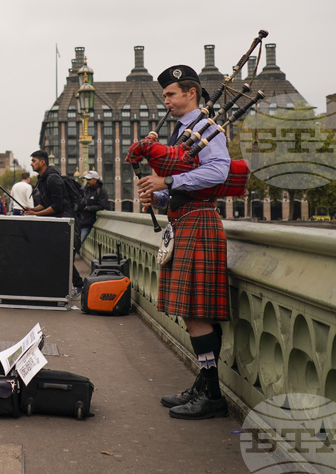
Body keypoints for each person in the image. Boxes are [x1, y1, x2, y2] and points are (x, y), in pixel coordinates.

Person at [137, 65, 230, 421]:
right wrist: (158, 196)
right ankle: (204, 384)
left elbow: (218, 170)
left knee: (196, 314)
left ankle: (212, 394)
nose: (166, 101)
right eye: (165, 96)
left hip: (199, 222)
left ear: (191, 93)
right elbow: (185, 183)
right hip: (186, 219)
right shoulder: (183, 132)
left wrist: (168, 183)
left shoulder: (205, 129)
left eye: (171, 94)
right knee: (193, 313)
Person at [23, 150, 83, 295]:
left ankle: (79, 285)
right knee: (56, 255)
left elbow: (57, 206)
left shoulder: (53, 179)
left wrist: (35, 214)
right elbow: (45, 203)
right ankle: (58, 286)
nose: (31, 164)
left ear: (42, 162)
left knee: (64, 256)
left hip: (67, 223)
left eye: (34, 161)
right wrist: (32, 209)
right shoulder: (42, 179)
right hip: (58, 222)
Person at [77, 171, 109, 244]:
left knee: (77, 244)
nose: (87, 181)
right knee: (72, 244)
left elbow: (102, 206)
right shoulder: (84, 189)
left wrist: (87, 208)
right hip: (78, 222)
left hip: (88, 223)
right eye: (87, 179)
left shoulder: (101, 191)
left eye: (89, 179)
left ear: (95, 180)